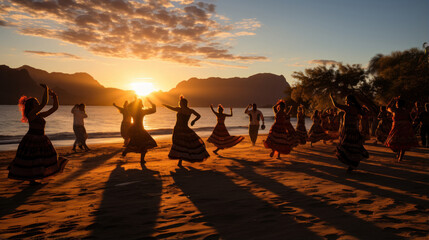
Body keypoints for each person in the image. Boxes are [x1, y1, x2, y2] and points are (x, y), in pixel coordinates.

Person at [8, 84, 68, 184]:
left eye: (37, 102)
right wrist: (46, 89)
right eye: (36, 103)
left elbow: (54, 108)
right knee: (33, 160)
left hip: (41, 138)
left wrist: (54, 97)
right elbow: (44, 103)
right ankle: (32, 180)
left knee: (44, 159)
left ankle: (36, 178)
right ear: (31, 106)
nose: (38, 104)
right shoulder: (30, 115)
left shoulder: (39, 115)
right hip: (32, 139)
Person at [164, 96, 209, 167]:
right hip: (185, 129)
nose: (180, 104)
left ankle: (180, 161)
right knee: (184, 144)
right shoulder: (190, 110)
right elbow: (198, 116)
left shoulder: (179, 109)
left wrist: (165, 105)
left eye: (181, 103)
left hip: (178, 129)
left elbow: (171, 108)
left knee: (179, 144)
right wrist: (193, 121)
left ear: (183, 103)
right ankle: (183, 159)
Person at [330, 94, 369, 173]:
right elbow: (365, 114)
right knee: (353, 147)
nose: (345, 101)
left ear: (349, 101)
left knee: (347, 147)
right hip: (354, 130)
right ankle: (352, 164)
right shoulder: (357, 109)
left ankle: (352, 164)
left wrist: (331, 97)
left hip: (349, 131)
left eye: (346, 100)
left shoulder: (348, 108)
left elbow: (336, 105)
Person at [122, 98, 157, 165]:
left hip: (135, 129)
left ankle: (127, 152)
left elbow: (128, 107)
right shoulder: (141, 111)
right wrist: (150, 101)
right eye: (140, 104)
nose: (141, 105)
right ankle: (139, 158)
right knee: (142, 144)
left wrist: (134, 101)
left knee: (137, 144)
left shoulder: (132, 111)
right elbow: (153, 110)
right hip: (139, 129)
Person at [385, 97, 419, 162]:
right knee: (403, 143)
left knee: (396, 142)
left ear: (397, 104)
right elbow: (411, 119)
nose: (396, 104)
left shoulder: (394, 110)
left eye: (397, 103)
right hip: (404, 127)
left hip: (399, 127)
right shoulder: (406, 111)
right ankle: (400, 156)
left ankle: (400, 156)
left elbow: (387, 107)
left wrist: (392, 100)